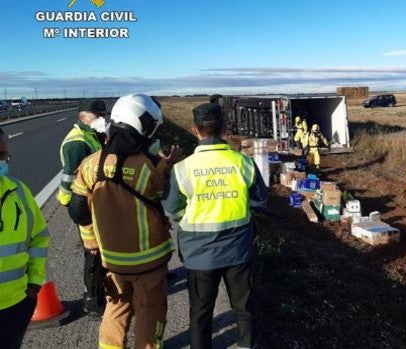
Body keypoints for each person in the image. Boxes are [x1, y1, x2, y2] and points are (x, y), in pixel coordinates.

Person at [69, 93, 181, 349]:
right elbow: (171, 201)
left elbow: (78, 211)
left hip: (113, 261)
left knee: (116, 309)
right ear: (143, 127)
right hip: (150, 261)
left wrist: (91, 244)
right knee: (150, 315)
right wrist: (169, 165)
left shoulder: (90, 164)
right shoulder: (152, 166)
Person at [162, 103, 267, 349]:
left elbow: (171, 209)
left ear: (194, 130)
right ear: (225, 128)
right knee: (244, 308)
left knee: (200, 312)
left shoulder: (182, 169)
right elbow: (260, 199)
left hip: (199, 255)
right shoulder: (243, 163)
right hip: (239, 251)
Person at [57, 99, 108, 315]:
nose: (99, 117)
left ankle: (102, 290)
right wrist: (73, 208)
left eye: (101, 113)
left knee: (101, 249)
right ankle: (93, 300)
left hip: (96, 201)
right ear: (82, 117)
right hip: (84, 204)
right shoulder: (77, 142)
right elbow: (69, 179)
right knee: (93, 251)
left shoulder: (93, 134)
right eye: (94, 114)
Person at [0, 128, 50, 348]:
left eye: (4, 156)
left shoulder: (18, 191)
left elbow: (38, 238)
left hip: (16, 306)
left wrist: (34, 284)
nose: (3, 162)